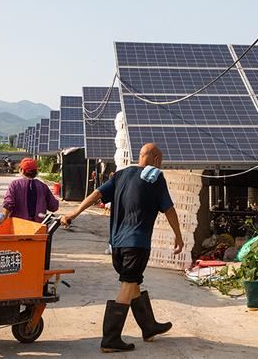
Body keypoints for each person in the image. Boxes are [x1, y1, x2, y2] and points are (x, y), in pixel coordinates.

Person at [63, 143, 184, 353]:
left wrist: (73, 213)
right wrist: (178, 235)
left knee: (133, 282)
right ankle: (110, 339)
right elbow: (169, 209)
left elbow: (96, 195)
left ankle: (149, 326)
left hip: (117, 244)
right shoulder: (155, 176)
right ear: (155, 160)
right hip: (136, 244)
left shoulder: (121, 174)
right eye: (161, 160)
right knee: (128, 287)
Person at [1, 158, 59, 223]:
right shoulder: (43, 186)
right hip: (38, 225)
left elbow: (8, 204)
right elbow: (54, 207)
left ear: (22, 170)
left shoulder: (15, 184)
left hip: (18, 224)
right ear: (36, 172)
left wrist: (3, 219)